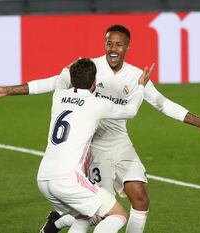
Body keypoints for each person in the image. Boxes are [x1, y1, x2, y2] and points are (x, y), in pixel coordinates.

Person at [0, 25, 200, 233]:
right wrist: (8, 90)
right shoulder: (88, 68)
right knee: (99, 215)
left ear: (127, 47)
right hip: (93, 148)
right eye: (109, 43)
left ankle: (61, 220)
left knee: (140, 198)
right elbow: (52, 82)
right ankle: (59, 220)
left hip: (121, 144)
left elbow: (164, 104)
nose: (113, 48)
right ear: (105, 45)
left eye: (119, 44)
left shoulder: (134, 75)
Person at [37, 58, 151, 233]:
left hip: (43, 178)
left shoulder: (58, 94)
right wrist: (141, 86)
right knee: (117, 215)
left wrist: (67, 69)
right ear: (95, 82)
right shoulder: (96, 104)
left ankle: (54, 225)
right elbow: (131, 111)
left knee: (84, 216)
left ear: (73, 79)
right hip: (68, 179)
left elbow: (62, 77)